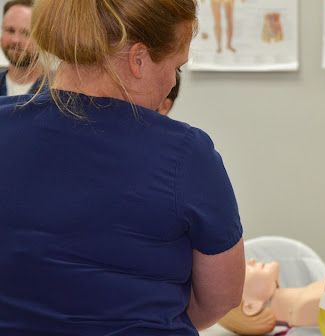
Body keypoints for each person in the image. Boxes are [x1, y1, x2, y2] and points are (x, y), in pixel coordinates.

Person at [0, 1, 244, 335]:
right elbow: (221, 297)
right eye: (176, 66)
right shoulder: (185, 154)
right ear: (138, 59)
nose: (172, 81)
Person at [0, 0, 43, 96]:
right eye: (10, 30)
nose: (15, 40)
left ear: (42, 39)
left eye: (26, 33)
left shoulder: (56, 94)